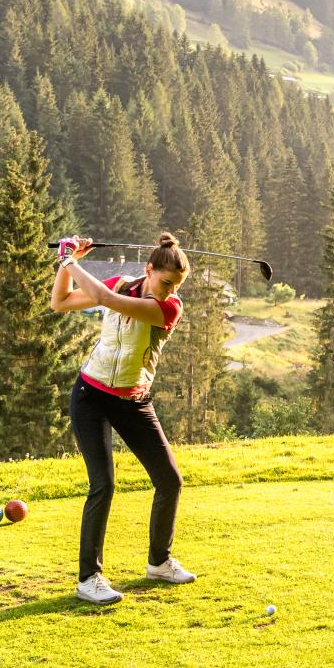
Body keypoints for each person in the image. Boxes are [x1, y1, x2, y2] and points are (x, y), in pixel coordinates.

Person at [49, 233, 198, 605]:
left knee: (170, 480)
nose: (169, 290)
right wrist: (64, 268)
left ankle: (160, 562)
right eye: (165, 282)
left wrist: (69, 260)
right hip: (91, 396)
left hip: (133, 401)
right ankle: (89, 578)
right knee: (103, 484)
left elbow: (104, 299)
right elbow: (60, 301)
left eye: (176, 286)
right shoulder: (121, 284)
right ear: (148, 270)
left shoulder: (167, 309)